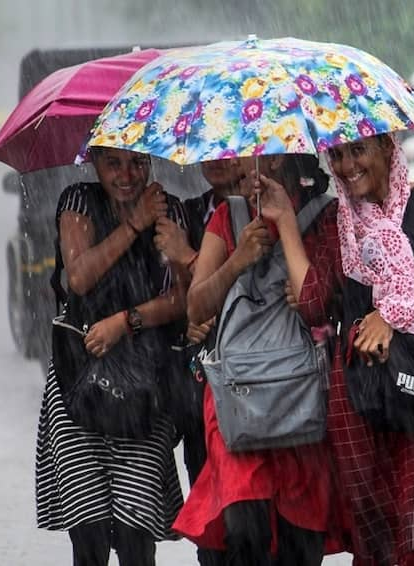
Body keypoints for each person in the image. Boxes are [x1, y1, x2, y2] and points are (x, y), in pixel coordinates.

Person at [289, 133, 414, 566]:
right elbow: (313, 307)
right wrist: (287, 223)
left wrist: (391, 313)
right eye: (336, 155)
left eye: (358, 150)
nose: (346, 165)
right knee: (374, 544)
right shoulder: (334, 222)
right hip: (356, 394)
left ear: (387, 149)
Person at [171, 153, 339, 566]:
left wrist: (285, 224)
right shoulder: (227, 218)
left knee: (301, 545)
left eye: (250, 154)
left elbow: (324, 303)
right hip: (239, 403)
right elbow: (196, 307)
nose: (240, 164)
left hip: (301, 400)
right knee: (245, 535)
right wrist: (238, 260)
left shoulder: (325, 216)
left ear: (280, 157)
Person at [36, 147, 193, 565]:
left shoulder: (170, 210)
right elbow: (80, 277)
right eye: (113, 164)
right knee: (86, 532)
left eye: (137, 163)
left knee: (134, 535)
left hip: (146, 389)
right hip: (78, 385)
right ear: (95, 164)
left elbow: (182, 300)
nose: (127, 175)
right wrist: (133, 222)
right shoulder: (78, 201)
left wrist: (127, 321)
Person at [156, 157, 245, 566]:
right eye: (210, 150)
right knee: (212, 529)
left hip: (260, 382)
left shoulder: (266, 208)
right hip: (205, 390)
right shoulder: (189, 213)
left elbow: (253, 288)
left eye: (230, 150)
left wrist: (189, 255)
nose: (217, 161)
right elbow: (183, 303)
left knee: (257, 527)